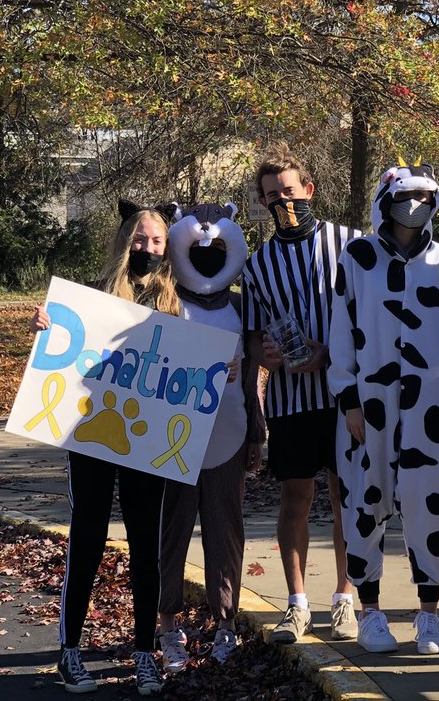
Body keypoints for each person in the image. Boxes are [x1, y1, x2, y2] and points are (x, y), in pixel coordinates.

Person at [327, 162, 439, 655]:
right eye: (404, 197)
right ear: (385, 201)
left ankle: (428, 615)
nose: (413, 207)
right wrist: (348, 397)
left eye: (422, 198)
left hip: (431, 400)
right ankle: (370, 612)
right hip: (369, 400)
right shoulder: (358, 257)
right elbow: (341, 329)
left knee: (425, 500)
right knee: (366, 502)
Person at [31, 200, 179, 695]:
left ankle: (143, 654)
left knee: (144, 546)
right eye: (140, 239)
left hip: (147, 439)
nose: (148, 248)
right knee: (88, 536)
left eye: (156, 241)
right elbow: (66, 346)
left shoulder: (175, 304)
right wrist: (46, 330)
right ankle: (69, 651)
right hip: (90, 432)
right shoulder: (92, 297)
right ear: (123, 242)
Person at [240, 144, 360, 644]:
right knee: (295, 496)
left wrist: (329, 352)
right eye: (271, 196)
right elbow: (251, 338)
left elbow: (370, 321)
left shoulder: (353, 247)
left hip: (343, 395)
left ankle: (346, 597)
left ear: (309, 190)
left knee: (346, 496)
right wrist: (265, 363)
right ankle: (296, 603)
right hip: (290, 398)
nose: (282, 202)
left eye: (289, 191)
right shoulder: (256, 265)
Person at [155, 202, 265, 671]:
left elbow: (252, 376)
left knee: (226, 531)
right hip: (170, 438)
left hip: (229, 432)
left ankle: (225, 624)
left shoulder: (241, 306)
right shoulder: (163, 300)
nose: (207, 253)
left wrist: (258, 432)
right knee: (171, 530)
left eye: (218, 246)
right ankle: (167, 625)